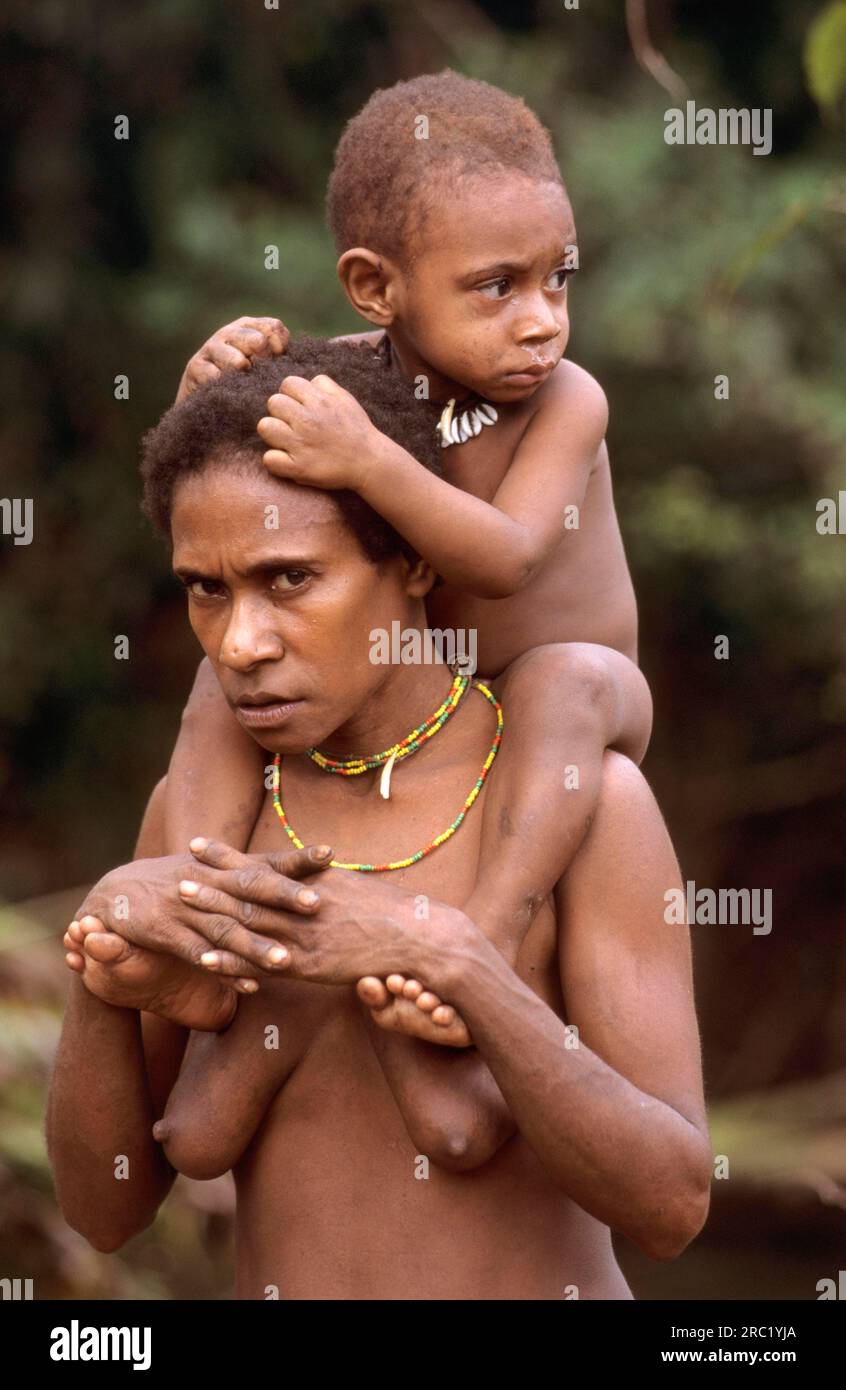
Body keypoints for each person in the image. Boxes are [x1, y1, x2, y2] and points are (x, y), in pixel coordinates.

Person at [47, 341, 711, 1299]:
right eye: (206, 589)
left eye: (289, 580)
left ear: (409, 560)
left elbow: (674, 1207)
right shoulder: (213, 820)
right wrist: (102, 961)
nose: (241, 642)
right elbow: (104, 1215)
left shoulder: (578, 807)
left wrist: (449, 958)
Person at [161, 71, 654, 989]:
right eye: (498, 287)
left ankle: (490, 937)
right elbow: (219, 486)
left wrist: (367, 460)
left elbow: (505, 559)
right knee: (221, 673)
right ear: (374, 289)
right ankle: (201, 907)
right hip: (426, 709)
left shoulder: (567, 401)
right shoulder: (351, 384)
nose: (543, 321)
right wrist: (209, 387)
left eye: (559, 279)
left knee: (564, 678)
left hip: (575, 705)